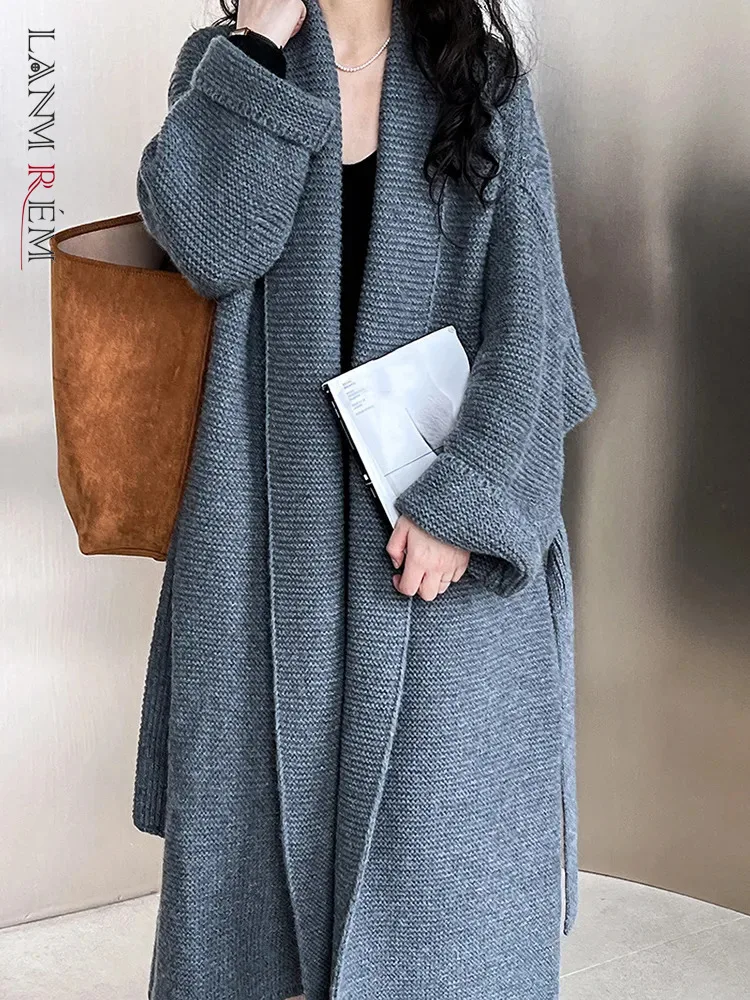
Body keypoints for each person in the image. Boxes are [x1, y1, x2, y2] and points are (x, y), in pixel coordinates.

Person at [132, 1, 598, 998]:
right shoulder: (228, 62)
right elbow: (212, 247)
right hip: (265, 543)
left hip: (436, 550)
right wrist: (258, 46)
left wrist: (464, 500)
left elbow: (532, 324)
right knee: (253, 898)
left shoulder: (481, 80)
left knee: (440, 892)